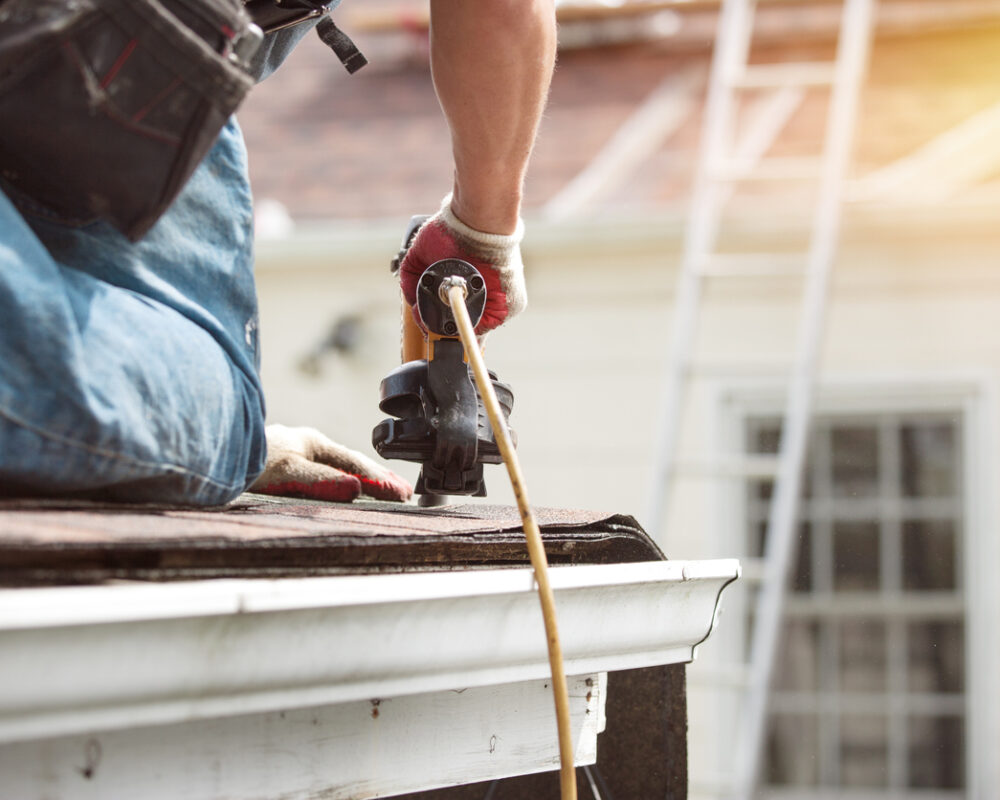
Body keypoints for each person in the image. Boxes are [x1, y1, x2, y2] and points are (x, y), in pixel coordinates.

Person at [0, 0, 557, 506]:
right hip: (133, 39)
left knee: (208, 410)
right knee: (213, 426)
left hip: (157, 59)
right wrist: (483, 232)